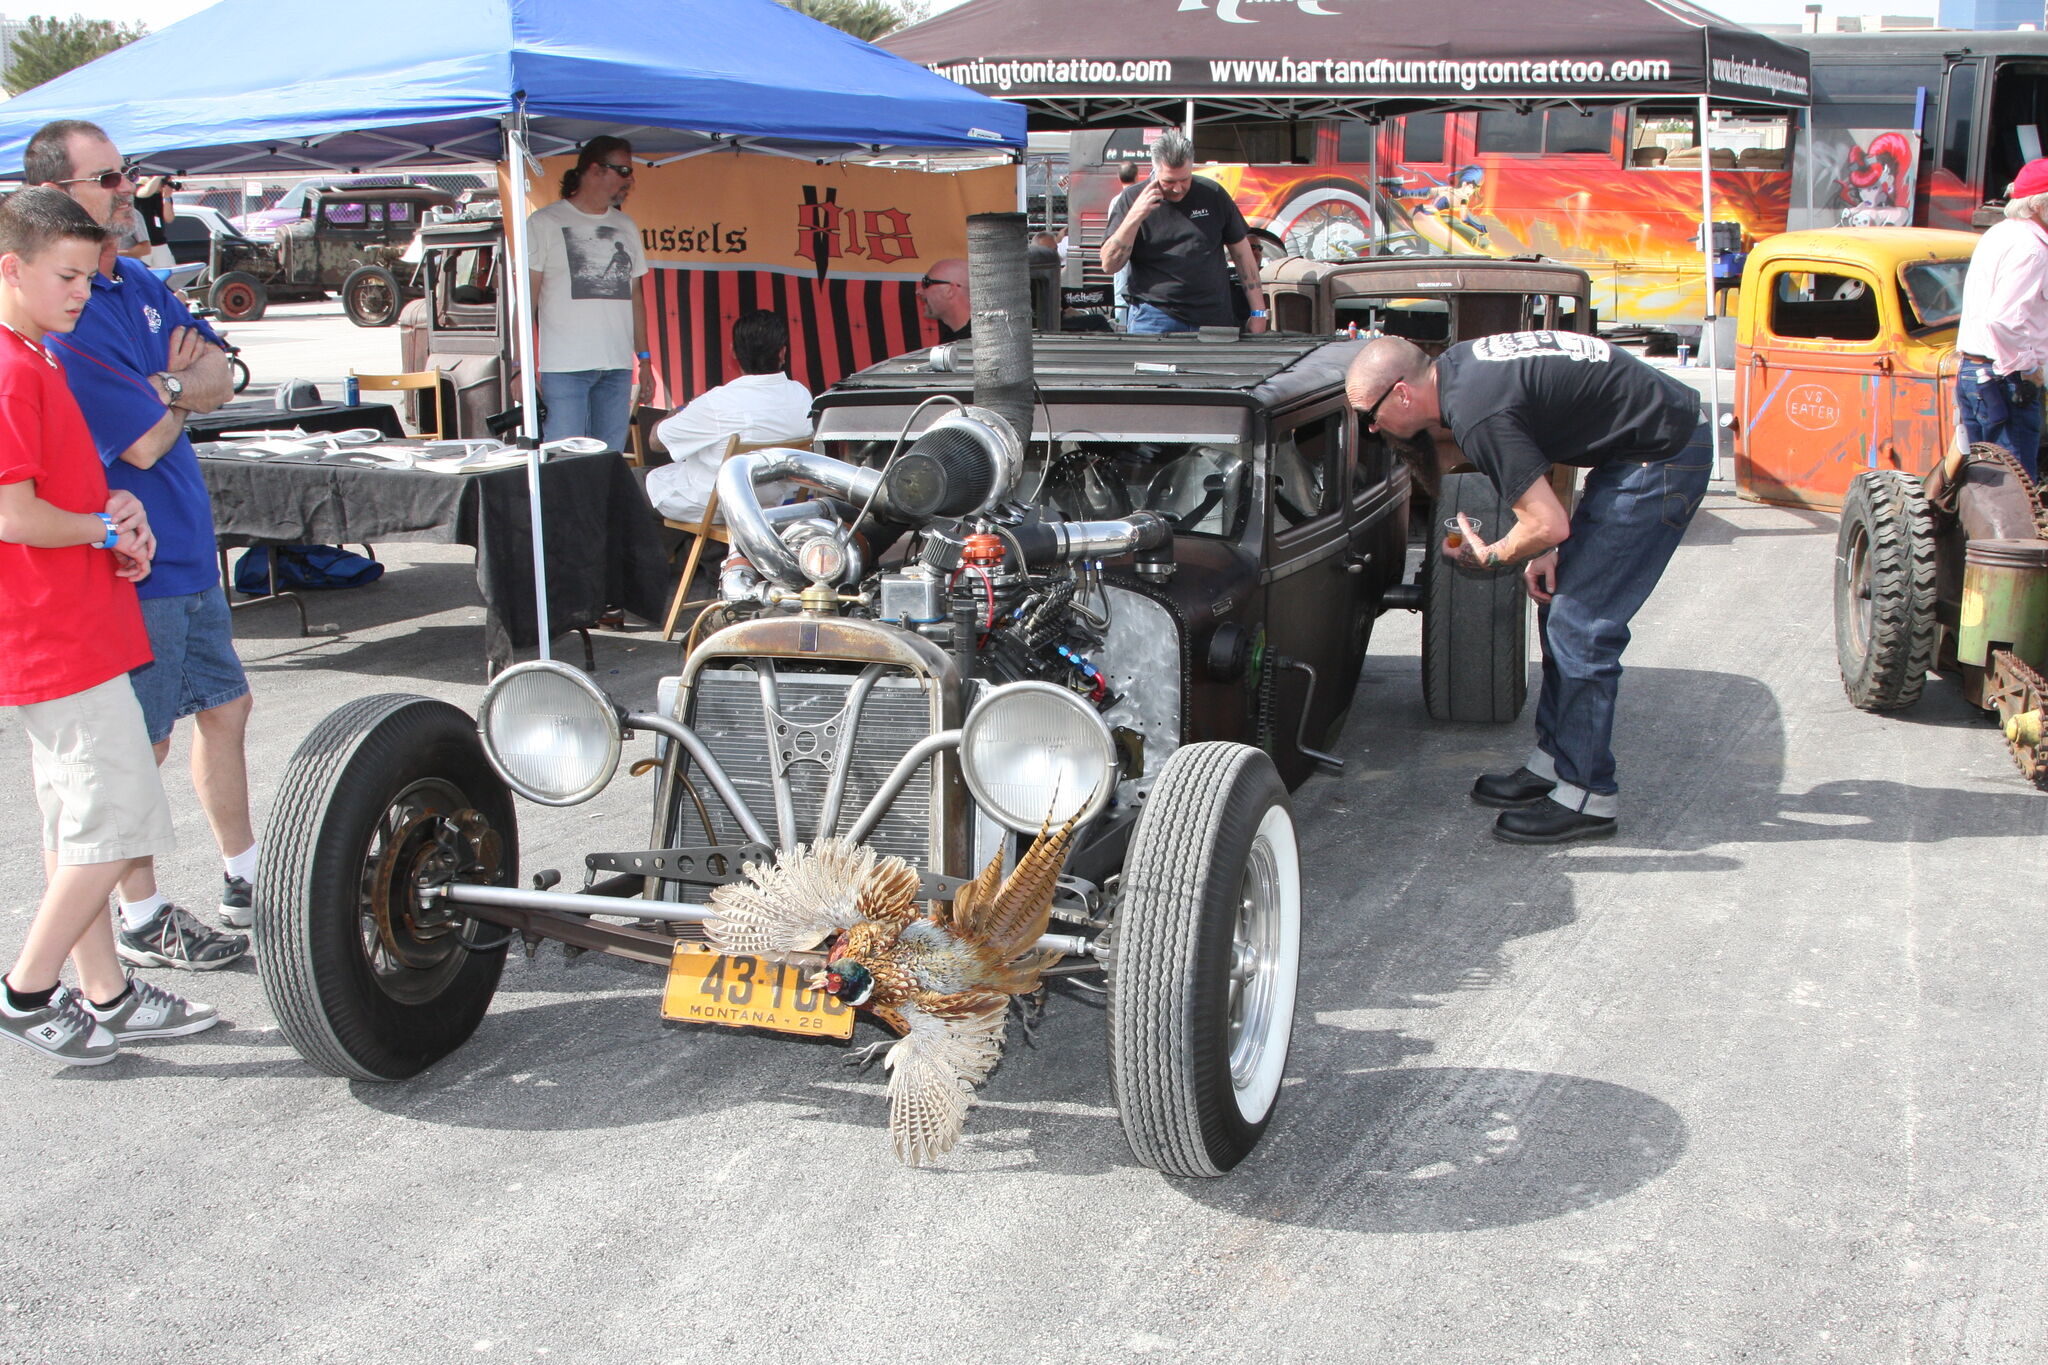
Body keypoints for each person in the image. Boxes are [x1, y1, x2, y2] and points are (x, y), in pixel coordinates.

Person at [0, 187, 220, 1066]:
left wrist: (109, 507)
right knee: (116, 822)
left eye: (89, 280)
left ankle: (109, 993)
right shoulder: (15, 368)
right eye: (66, 277)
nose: (82, 295)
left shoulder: (39, 354)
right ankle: (26, 988)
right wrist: (98, 527)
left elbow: (57, 490)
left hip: (77, 622)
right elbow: (13, 514)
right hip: (59, 636)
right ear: (10, 267)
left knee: (77, 826)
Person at [30, 119, 253, 967]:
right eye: (108, 179)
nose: (128, 191)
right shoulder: (72, 314)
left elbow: (224, 374)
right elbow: (147, 441)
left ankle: (244, 874)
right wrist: (178, 382)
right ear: (58, 196)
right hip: (136, 566)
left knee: (225, 709)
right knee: (141, 745)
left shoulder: (137, 285)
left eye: (127, 176)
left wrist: (176, 385)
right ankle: (141, 913)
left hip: (188, 548)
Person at [1345, 331, 1711, 844]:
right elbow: (1548, 439)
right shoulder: (1460, 370)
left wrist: (1493, 554)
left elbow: (1548, 524)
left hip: (1662, 457)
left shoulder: (1476, 413)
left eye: (1370, 414)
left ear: (1402, 393)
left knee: (1581, 627)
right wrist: (1546, 546)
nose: (1372, 426)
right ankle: (1555, 762)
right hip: (1632, 449)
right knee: (1559, 602)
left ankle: (1589, 797)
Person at [527, 135, 653, 453]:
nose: (631, 180)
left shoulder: (626, 224)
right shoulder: (544, 222)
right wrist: (521, 364)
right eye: (623, 171)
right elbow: (526, 299)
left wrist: (645, 359)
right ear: (596, 170)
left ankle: (599, 506)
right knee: (563, 459)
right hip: (564, 367)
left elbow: (636, 297)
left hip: (616, 364)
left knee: (608, 459)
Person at [644, 310, 811, 524]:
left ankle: (693, 552)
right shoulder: (802, 395)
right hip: (771, 505)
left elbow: (656, 442)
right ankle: (704, 552)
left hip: (715, 505)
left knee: (631, 481)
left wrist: (685, 407)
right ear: (782, 353)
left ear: (733, 352)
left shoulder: (718, 402)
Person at [1099, 130, 1269, 335]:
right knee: (1151, 368)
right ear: (1155, 171)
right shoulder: (1132, 199)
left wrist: (1259, 313)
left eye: (1184, 179)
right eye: (1169, 181)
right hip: (1155, 317)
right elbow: (1109, 265)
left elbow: (1243, 256)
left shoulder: (1213, 194)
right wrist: (1135, 216)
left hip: (1213, 316)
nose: (1178, 188)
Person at [1954, 157, 2048, 482]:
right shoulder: (2033, 250)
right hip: (2005, 380)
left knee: (1985, 486)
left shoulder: (2002, 233)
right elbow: (2004, 321)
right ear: (2040, 205)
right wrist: (2031, 369)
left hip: (1977, 373)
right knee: (2015, 490)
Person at [917, 257, 972, 343]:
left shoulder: (985, 340)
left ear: (949, 290)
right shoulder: (950, 338)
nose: (918, 291)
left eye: (926, 283)